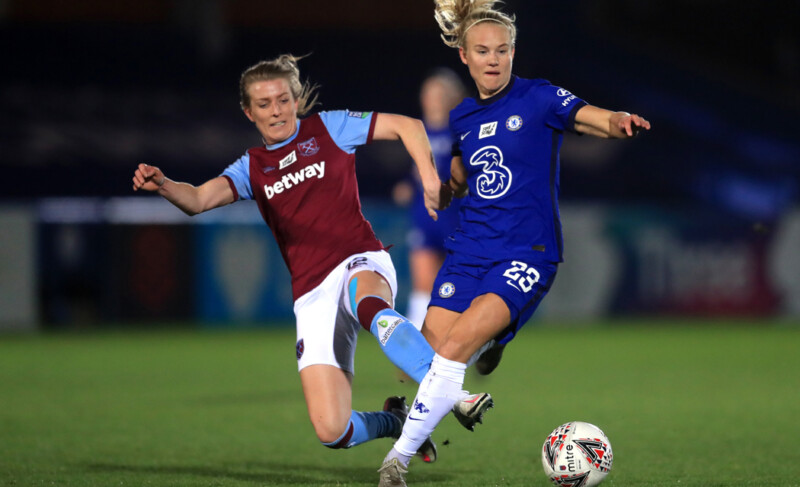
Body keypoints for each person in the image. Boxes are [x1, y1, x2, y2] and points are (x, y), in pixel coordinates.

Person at [131, 54, 484, 465]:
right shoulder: (253, 168)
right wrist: (164, 184)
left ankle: (452, 393)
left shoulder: (330, 128)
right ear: (248, 112)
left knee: (368, 305)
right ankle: (394, 421)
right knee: (333, 430)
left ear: (296, 101)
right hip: (312, 293)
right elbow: (197, 200)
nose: (275, 110)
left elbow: (408, 126)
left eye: (283, 100)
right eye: (264, 104)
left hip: (360, 259)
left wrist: (428, 180)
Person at [378, 1, 651, 485]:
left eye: (502, 50)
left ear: (512, 52)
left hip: (527, 253)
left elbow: (589, 117)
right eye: (483, 51)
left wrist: (619, 121)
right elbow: (460, 175)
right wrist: (444, 188)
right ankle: (481, 356)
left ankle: (395, 461)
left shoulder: (538, 97)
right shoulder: (462, 118)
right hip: (469, 252)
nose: (493, 59)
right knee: (428, 352)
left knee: (454, 350)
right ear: (465, 56)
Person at [393, 68, 467, 331]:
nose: (432, 100)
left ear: (452, 97)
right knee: (423, 285)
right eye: (428, 94)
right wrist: (406, 185)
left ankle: (462, 341)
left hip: (456, 218)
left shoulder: (460, 131)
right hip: (424, 217)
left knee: (456, 286)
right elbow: (415, 171)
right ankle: (414, 346)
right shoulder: (417, 131)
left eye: (438, 95)